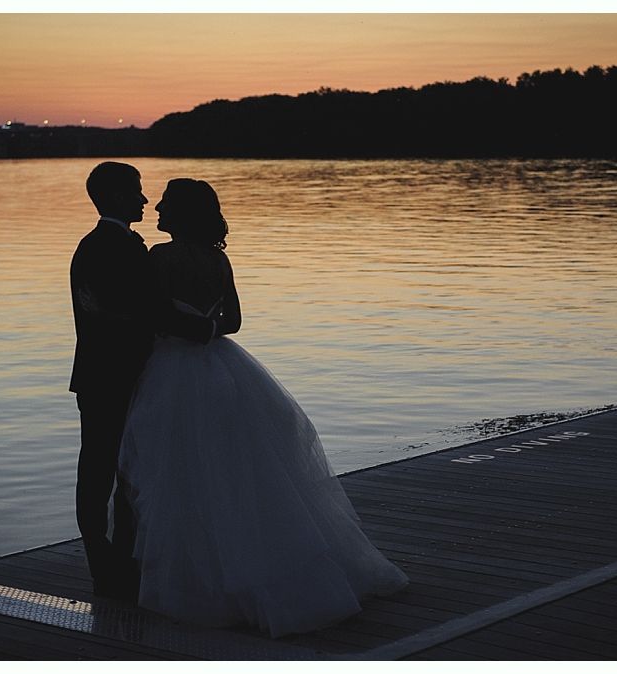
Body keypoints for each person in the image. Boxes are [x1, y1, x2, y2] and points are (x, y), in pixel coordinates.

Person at [118, 178, 408, 638]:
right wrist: (205, 325)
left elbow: (148, 315)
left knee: (181, 477)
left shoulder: (160, 257)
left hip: (173, 371)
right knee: (235, 476)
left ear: (182, 213)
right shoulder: (218, 259)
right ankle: (264, 568)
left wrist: (180, 325)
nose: (157, 208)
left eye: (166, 204)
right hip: (223, 368)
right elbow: (232, 321)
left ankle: (202, 582)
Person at [69, 162, 216, 600]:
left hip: (136, 375)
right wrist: (202, 330)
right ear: (114, 197)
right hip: (106, 378)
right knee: (99, 471)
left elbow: (144, 309)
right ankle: (104, 564)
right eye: (136, 191)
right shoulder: (101, 247)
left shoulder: (131, 244)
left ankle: (127, 559)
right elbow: (139, 311)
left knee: (129, 470)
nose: (144, 200)